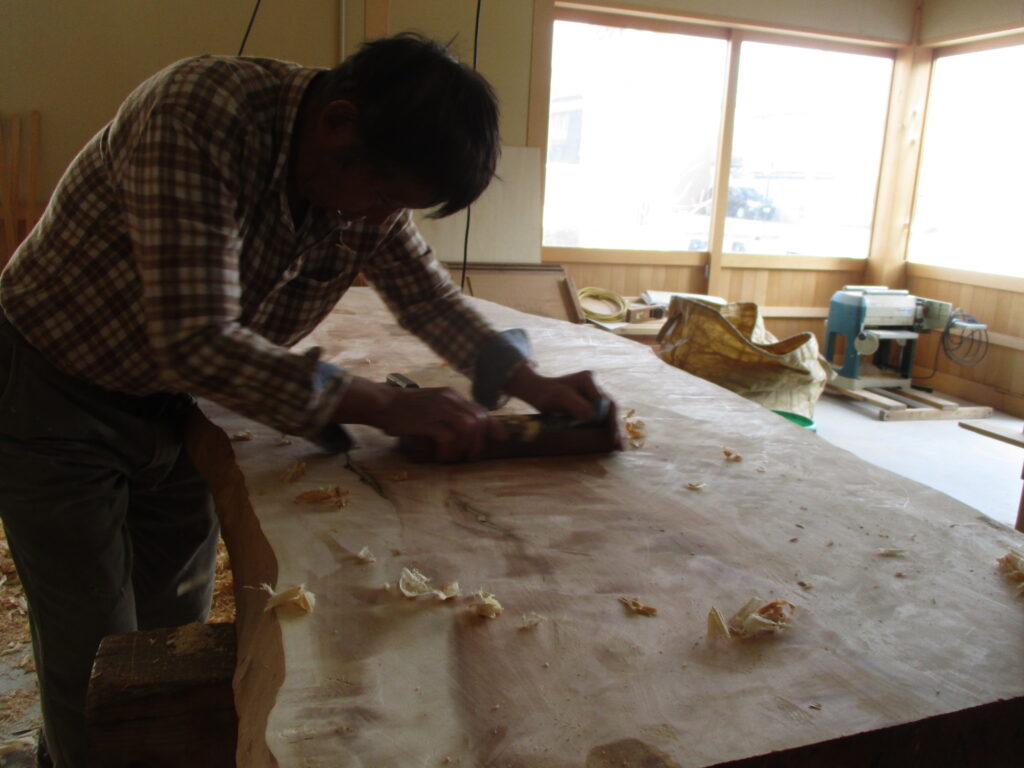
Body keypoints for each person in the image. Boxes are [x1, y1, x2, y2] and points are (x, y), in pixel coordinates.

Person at [0, 33, 612, 767]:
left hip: (182, 407)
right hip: (52, 390)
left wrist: (533, 385)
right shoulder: (197, 117)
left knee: (169, 641)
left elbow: (425, 298)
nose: (380, 218)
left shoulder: (365, 176)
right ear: (336, 124)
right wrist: (386, 405)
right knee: (95, 652)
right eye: (383, 196)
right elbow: (196, 339)